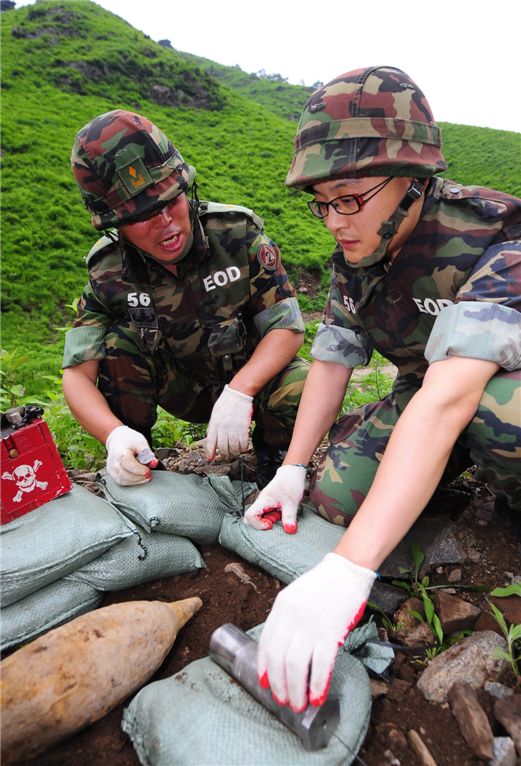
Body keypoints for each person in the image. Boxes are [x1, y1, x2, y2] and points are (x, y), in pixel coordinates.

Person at [244, 65, 521, 713]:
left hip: (484, 390)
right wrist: (289, 469)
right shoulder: (356, 254)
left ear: (412, 179)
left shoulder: (495, 236)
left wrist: (348, 567)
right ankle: (441, 470)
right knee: (336, 494)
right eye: (322, 202)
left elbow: (453, 394)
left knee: (497, 413)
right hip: (427, 391)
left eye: (348, 197)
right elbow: (333, 361)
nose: (333, 222)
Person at [62, 110, 309, 488]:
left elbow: (286, 327)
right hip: (179, 388)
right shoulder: (108, 272)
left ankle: (274, 457)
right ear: (115, 225)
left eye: (170, 201)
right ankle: (137, 458)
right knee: (117, 344)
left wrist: (241, 391)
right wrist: (112, 434)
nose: (165, 223)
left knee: (303, 382)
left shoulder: (236, 236)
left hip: (250, 383)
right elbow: (78, 374)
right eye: (142, 215)